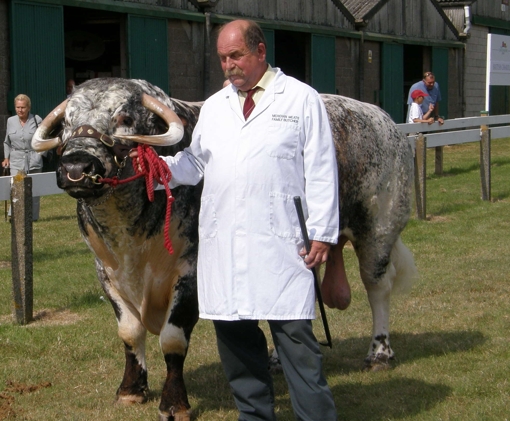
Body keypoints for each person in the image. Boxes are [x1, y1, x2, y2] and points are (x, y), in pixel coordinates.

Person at [132, 19, 339, 421]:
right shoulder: (215, 107)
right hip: (225, 244)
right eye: (223, 58)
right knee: (237, 346)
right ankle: (255, 416)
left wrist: (323, 232)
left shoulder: (299, 99)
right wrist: (160, 170)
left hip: (284, 245)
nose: (229, 65)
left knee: (296, 345)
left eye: (236, 55)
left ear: (260, 52)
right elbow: (195, 162)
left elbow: (321, 169)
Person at [2, 94, 43, 221]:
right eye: (18, 107)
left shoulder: (37, 120)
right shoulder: (10, 121)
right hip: (16, 160)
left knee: (34, 190)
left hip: (33, 158)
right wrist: (6, 158)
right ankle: (14, 215)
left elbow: (43, 139)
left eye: (23, 107)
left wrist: (40, 154)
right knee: (17, 187)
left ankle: (33, 217)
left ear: (29, 107)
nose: (20, 110)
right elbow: (7, 142)